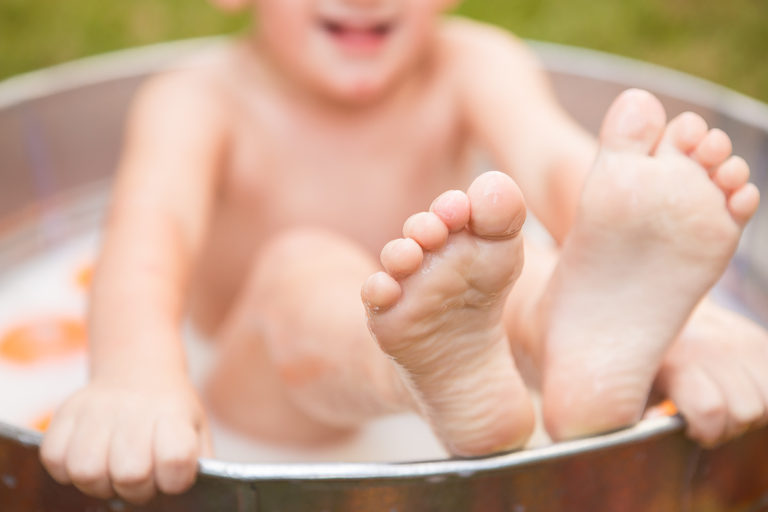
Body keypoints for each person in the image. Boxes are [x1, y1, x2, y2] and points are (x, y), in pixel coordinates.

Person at [40, 0, 765, 504]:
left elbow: (559, 170)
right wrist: (136, 381)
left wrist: (690, 328)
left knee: (525, 264)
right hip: (256, 388)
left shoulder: (475, 62)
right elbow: (146, 241)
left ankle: (565, 346)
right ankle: (436, 369)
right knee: (303, 267)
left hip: (459, 330)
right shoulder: (197, 101)